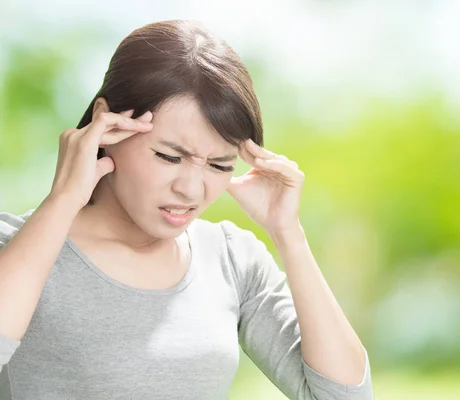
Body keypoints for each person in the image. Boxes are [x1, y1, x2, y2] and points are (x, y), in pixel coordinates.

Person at [0, 20, 373, 400]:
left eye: (220, 165)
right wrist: (62, 201)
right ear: (107, 123)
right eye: (169, 156)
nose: (191, 189)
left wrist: (288, 234)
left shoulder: (230, 259)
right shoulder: (16, 246)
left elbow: (345, 396)